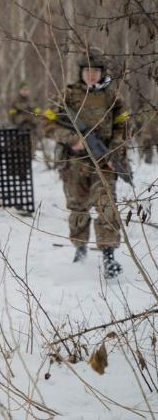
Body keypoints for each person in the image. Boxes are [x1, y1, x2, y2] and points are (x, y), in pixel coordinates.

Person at [41, 47, 129, 278]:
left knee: (107, 207)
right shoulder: (67, 95)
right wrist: (72, 139)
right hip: (74, 164)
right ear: (81, 72)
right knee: (78, 208)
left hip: (103, 163)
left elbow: (124, 126)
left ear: (102, 73)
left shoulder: (112, 96)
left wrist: (113, 152)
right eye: (87, 71)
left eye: (95, 71)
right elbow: (48, 124)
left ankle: (109, 256)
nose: (91, 75)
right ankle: (80, 250)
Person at [8, 81, 42, 156]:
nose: (25, 91)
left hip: (32, 126)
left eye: (26, 89)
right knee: (21, 146)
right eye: (23, 89)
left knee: (32, 145)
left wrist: (35, 119)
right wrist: (21, 119)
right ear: (20, 90)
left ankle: (32, 156)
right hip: (20, 127)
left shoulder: (33, 100)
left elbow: (38, 113)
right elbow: (12, 116)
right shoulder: (15, 101)